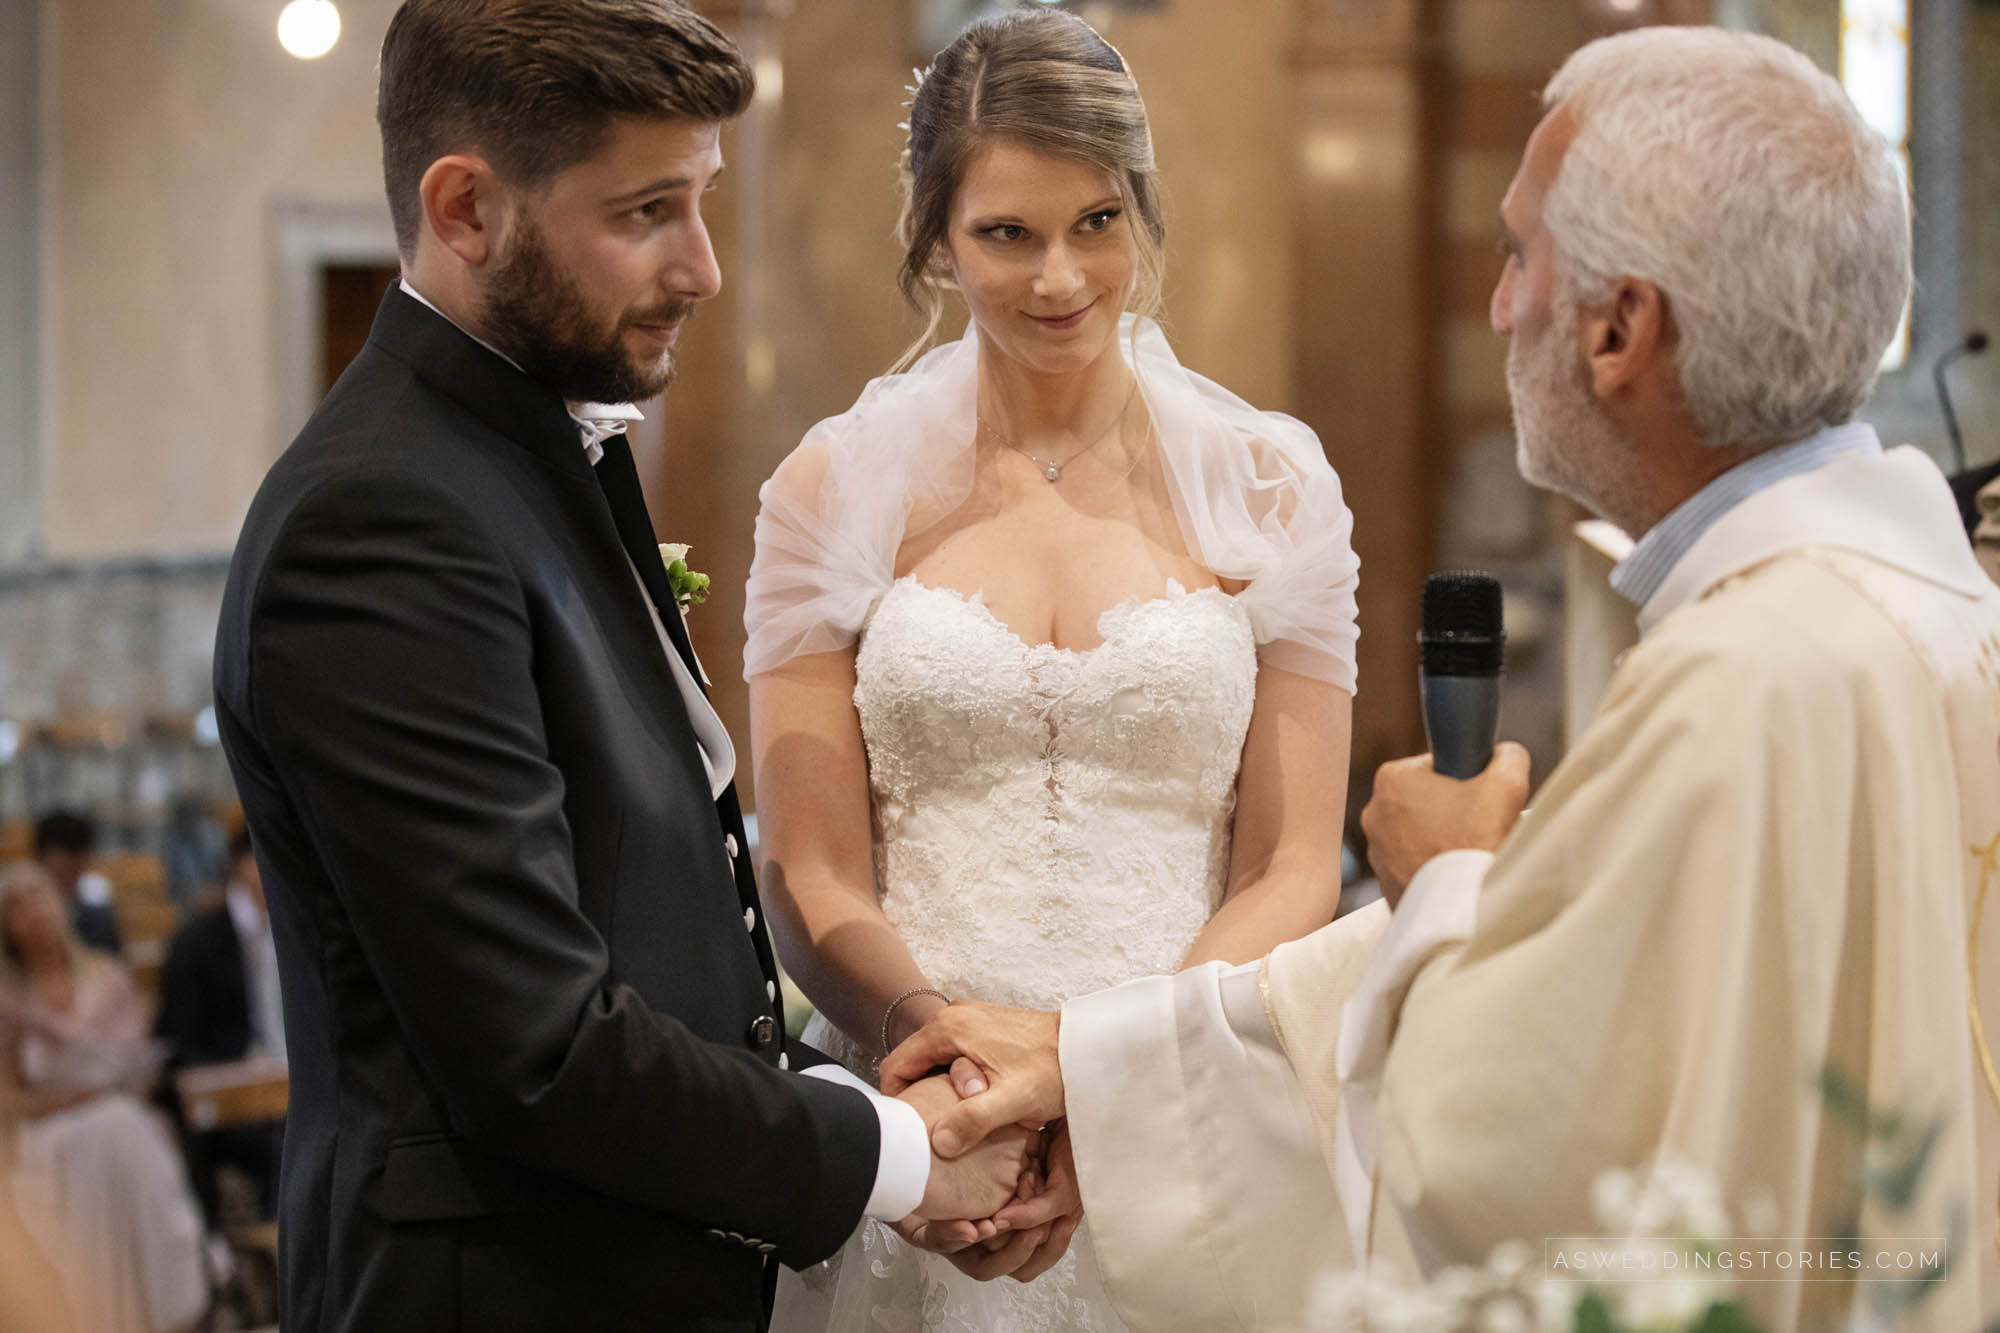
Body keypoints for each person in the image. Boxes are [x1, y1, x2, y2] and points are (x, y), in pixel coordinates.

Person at [882, 25, 2000, 1332]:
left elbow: (1502, 1146)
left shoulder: (1748, 680)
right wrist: (1096, 1067)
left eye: (1522, 256)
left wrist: (1450, 869)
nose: (1499, 303)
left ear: (1620, 330)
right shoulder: (1897, 612)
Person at [210, 4, 1031, 1330]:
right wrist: (892, 1157)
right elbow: (533, 1044)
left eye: (701, 202)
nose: (703, 266)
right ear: (467, 207)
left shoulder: (529, 456)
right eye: (647, 212)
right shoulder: (380, 522)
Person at [746, 9, 1359, 1328]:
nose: (1060, 277)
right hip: (931, 1120)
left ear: (1144, 214)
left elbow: (1294, 865)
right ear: (933, 239)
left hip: (1190, 1105)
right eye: (1006, 234)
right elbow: (809, 866)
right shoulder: (827, 492)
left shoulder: (1274, 493)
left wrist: (1100, 1073)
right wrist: (957, 1065)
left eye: (1096, 223)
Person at [0, 861, 209, 1333]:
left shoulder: (105, 976)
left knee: (120, 1126)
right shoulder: (9, 1000)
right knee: (105, 1134)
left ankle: (159, 1306)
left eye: (40, 899)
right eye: (20, 907)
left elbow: (139, 1068)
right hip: (49, 1129)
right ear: (8, 926)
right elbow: (8, 1098)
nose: (34, 914)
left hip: (116, 1113)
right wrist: (69, 1100)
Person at [156, 827, 285, 1225]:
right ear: (239, 866)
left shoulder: (297, 930)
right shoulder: (197, 941)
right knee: (284, 1148)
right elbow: (183, 1043)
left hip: (293, 1084)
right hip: (236, 1099)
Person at [33, 810, 120, 956]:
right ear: (41, 859)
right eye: (62, 870)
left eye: (74, 870)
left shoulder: (97, 894)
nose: (69, 875)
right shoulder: (27, 902)